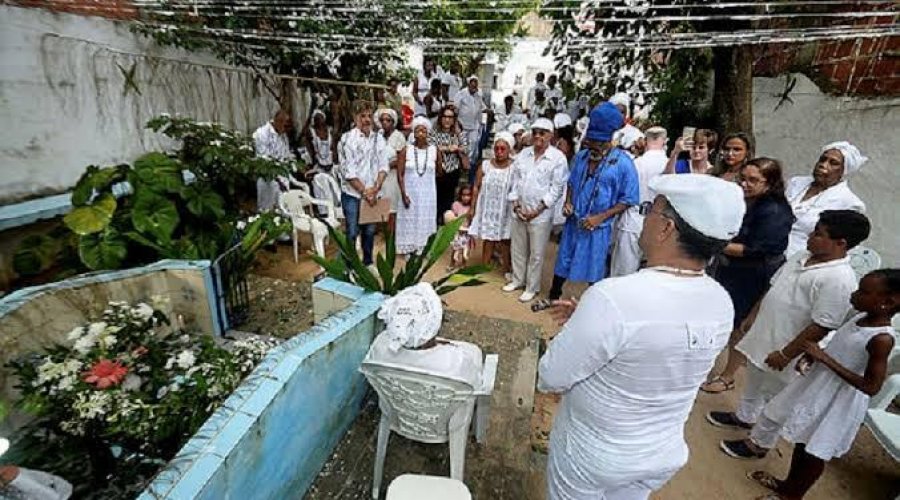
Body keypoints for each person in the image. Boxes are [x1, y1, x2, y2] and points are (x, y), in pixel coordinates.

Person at [539, 174, 746, 500]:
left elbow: (551, 375)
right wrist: (591, 322)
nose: (643, 216)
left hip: (596, 453)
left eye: (649, 209)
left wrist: (583, 326)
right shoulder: (720, 300)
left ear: (666, 228)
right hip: (659, 454)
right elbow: (661, 350)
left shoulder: (614, 297)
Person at [722, 269, 897, 500]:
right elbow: (842, 349)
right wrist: (814, 355)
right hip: (818, 386)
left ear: (888, 302)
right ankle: (787, 487)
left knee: (814, 452)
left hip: (838, 400)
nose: (854, 295)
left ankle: (793, 495)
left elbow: (871, 386)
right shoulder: (859, 318)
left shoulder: (881, 339)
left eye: (863, 292)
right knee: (803, 443)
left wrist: (825, 359)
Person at [707, 210, 871, 435]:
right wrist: (753, 316)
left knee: (775, 398)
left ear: (840, 243)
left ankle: (760, 442)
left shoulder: (839, 279)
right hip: (765, 332)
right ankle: (744, 416)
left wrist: (786, 354)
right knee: (754, 378)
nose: (810, 237)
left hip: (786, 346)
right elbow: (774, 286)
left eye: (819, 234)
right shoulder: (801, 255)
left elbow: (822, 324)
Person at [701, 158, 796, 394]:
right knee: (718, 318)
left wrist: (712, 242)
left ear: (770, 183)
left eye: (753, 180)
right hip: (730, 269)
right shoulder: (744, 200)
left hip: (754, 276)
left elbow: (754, 249)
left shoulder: (774, 211)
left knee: (740, 327)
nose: (744, 184)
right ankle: (704, 365)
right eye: (743, 178)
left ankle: (728, 375)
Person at [548, 103, 638, 301]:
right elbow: (571, 183)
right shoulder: (581, 157)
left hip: (598, 228)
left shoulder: (624, 164)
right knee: (564, 260)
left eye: (597, 142)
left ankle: (593, 305)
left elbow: (628, 199)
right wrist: (568, 203)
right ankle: (554, 295)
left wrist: (600, 217)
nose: (591, 145)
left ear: (608, 141)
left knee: (595, 268)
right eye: (590, 140)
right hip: (574, 222)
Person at [364, 283, 483, 388]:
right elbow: (476, 385)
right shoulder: (456, 360)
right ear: (435, 324)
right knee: (475, 352)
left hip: (394, 412)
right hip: (448, 414)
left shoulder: (380, 345)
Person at [505, 118, 568, 303]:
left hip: (540, 214)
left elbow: (556, 189)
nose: (538, 136)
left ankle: (532, 287)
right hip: (520, 210)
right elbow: (515, 181)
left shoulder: (558, 158)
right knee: (517, 248)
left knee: (537, 253)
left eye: (543, 132)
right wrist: (516, 205)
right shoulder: (524, 154)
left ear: (551, 135)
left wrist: (537, 210)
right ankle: (518, 280)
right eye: (535, 132)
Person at [784, 141, 867, 258]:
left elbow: (838, 246)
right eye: (822, 159)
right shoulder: (796, 182)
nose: (823, 165)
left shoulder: (850, 203)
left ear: (843, 171)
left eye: (833, 163)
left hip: (801, 257)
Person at [609, 126, 669, 277]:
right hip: (658, 222)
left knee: (622, 272)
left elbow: (621, 192)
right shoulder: (670, 164)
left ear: (646, 141)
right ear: (665, 141)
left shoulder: (635, 163)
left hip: (633, 217)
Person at [338, 102, 390, 266]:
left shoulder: (378, 138)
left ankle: (367, 264)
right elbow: (349, 172)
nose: (367, 120)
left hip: (373, 193)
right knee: (352, 232)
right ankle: (349, 265)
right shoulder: (347, 139)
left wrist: (376, 188)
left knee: (369, 231)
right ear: (355, 118)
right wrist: (365, 192)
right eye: (362, 116)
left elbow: (384, 165)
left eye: (369, 115)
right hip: (353, 194)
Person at [469, 132, 516, 274]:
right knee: (488, 238)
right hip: (487, 207)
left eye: (503, 149)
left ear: (509, 150)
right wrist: (472, 207)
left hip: (505, 209)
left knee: (505, 239)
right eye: (497, 148)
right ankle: (484, 266)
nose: (499, 152)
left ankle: (506, 269)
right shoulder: (485, 165)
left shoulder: (514, 167)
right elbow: (476, 186)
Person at [396, 116, 438, 256]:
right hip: (410, 193)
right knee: (409, 219)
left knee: (425, 219)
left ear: (428, 133)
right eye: (417, 130)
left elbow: (439, 172)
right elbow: (400, 174)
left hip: (428, 194)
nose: (420, 133)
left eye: (423, 131)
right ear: (413, 133)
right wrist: (403, 194)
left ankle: (423, 248)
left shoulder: (434, 150)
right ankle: (409, 248)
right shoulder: (405, 150)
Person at [430, 106, 470, 226]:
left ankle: (445, 225)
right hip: (437, 172)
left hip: (453, 171)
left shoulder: (458, 134)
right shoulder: (434, 133)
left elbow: (466, 148)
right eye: (445, 117)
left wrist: (457, 145)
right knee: (436, 200)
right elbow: (432, 148)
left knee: (448, 201)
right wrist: (449, 148)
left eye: (450, 117)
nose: (447, 120)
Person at [253, 110, 294, 212]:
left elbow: (286, 155)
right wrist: (279, 180)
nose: (287, 130)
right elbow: (264, 160)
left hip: (283, 177)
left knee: (284, 211)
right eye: (285, 126)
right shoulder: (261, 134)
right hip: (268, 179)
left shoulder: (283, 135)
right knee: (267, 213)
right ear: (278, 122)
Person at [377, 108, 407, 232]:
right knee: (381, 205)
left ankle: (391, 235)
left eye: (388, 120)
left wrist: (388, 164)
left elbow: (402, 158)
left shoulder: (398, 136)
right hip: (379, 176)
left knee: (392, 206)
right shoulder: (378, 136)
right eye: (382, 120)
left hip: (393, 176)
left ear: (393, 121)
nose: (385, 123)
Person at [454, 76, 488, 182]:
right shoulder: (461, 94)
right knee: (463, 147)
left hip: (474, 126)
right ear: (468, 84)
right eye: (472, 83)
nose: (474, 86)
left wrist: (489, 111)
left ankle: (469, 168)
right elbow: (455, 108)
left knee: (473, 145)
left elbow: (483, 107)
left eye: (476, 84)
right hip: (462, 126)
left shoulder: (478, 95)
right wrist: (456, 123)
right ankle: (462, 169)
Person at [445, 186, 474, 269]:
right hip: (457, 231)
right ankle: (452, 264)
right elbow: (452, 217)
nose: (466, 198)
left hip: (467, 232)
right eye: (463, 195)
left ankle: (463, 265)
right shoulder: (456, 205)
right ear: (460, 195)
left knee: (466, 249)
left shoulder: (471, 208)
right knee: (455, 248)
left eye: (468, 195)